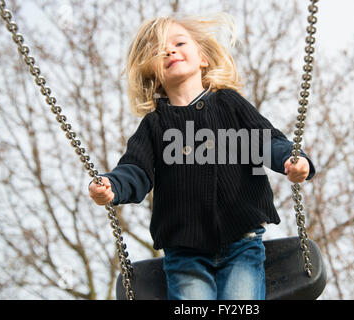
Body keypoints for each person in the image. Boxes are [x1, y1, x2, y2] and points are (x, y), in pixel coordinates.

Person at [89, 12, 315, 300]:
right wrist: (111, 186)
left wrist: (294, 160)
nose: (170, 50)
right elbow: (136, 169)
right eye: (158, 51)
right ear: (153, 72)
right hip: (185, 252)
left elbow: (265, 141)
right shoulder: (155, 125)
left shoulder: (229, 104)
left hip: (241, 242)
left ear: (203, 57)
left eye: (179, 43)